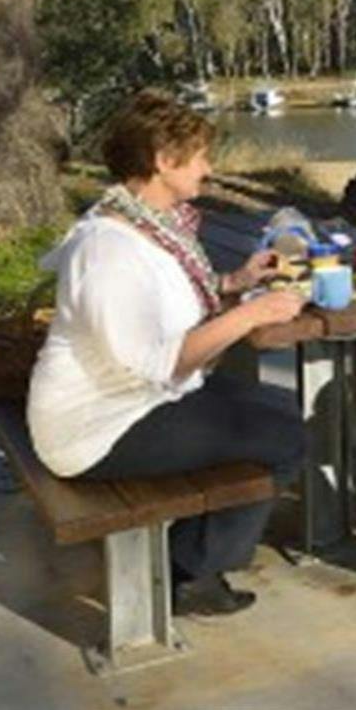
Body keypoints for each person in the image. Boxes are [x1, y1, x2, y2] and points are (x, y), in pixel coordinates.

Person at [27, 90, 308, 618]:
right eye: (200, 156)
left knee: (280, 408)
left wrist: (236, 283)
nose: (209, 168)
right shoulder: (108, 246)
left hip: (139, 399)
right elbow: (157, 361)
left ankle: (193, 552)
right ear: (163, 160)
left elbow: (168, 308)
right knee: (285, 437)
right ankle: (192, 572)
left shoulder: (147, 226)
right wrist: (248, 314)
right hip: (98, 428)